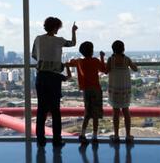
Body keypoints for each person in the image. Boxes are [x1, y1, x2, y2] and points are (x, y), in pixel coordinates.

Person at [32, 17, 77, 147]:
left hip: (41, 77)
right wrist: (73, 31)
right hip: (54, 79)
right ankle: (57, 140)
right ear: (56, 27)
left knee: (41, 110)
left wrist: (45, 60)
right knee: (55, 111)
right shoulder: (59, 40)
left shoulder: (38, 39)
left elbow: (34, 55)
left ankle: (41, 140)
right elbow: (73, 43)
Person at [67, 41, 106, 144]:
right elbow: (104, 70)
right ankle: (94, 136)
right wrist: (102, 57)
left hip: (86, 90)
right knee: (96, 115)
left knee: (87, 113)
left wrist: (71, 61)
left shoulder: (79, 62)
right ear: (92, 51)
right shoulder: (95, 61)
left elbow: (71, 62)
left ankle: (83, 134)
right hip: (96, 90)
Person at [106, 40, 138, 143]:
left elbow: (106, 70)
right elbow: (135, 69)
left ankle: (116, 135)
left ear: (113, 49)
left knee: (115, 113)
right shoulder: (127, 59)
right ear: (123, 49)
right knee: (126, 111)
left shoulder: (111, 60)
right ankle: (128, 135)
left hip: (114, 89)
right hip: (125, 89)